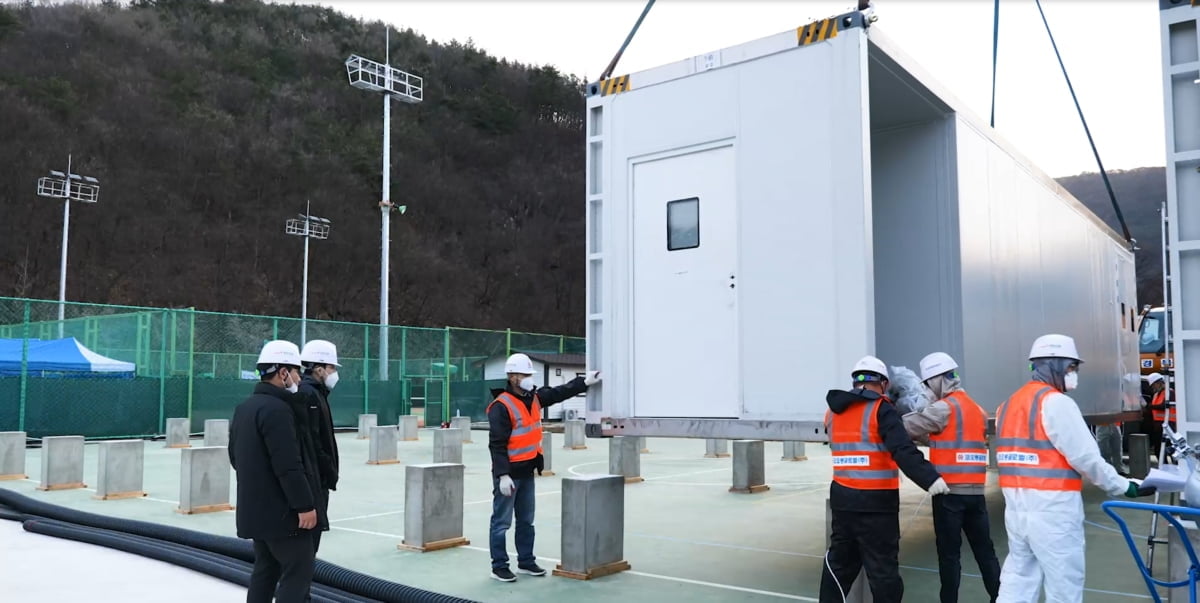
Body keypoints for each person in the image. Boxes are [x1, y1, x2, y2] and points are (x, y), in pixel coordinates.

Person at [995, 334, 1157, 603]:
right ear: (1054, 366)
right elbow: (1087, 459)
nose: (1074, 374)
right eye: (1071, 368)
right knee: (1064, 589)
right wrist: (1125, 486)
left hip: (1017, 511)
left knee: (1018, 581)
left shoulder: (1007, 406)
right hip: (1054, 514)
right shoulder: (1056, 404)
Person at [820, 355, 950, 603]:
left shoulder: (832, 412)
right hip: (877, 505)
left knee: (838, 565)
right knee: (882, 572)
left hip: (843, 500)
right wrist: (931, 479)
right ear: (882, 383)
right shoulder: (881, 409)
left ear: (856, 381)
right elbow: (902, 449)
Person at [487, 352, 600, 582]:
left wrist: (584, 382)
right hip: (509, 475)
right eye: (525, 374)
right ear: (512, 376)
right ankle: (499, 566)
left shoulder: (534, 398)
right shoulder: (502, 406)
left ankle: (526, 562)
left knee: (526, 521)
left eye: (530, 374)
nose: (529, 378)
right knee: (501, 523)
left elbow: (559, 393)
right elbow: (497, 444)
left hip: (527, 472)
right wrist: (502, 475)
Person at [228, 340, 325, 603]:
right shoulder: (279, 410)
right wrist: (305, 505)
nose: (298, 378)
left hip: (256, 513)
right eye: (295, 371)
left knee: (265, 572)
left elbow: (235, 458)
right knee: (297, 574)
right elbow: (289, 465)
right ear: (283, 373)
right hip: (284, 516)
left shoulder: (245, 408)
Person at [901, 352, 1001, 603]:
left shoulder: (942, 408)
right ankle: (1000, 597)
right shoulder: (975, 409)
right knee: (985, 552)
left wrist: (900, 407)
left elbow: (906, 428)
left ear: (935, 381)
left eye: (927, 385)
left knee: (949, 556)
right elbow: (948, 439)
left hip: (949, 496)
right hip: (976, 495)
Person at [298, 339, 341, 556]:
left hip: (319, 478)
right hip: (314, 479)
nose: (334, 373)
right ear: (320, 368)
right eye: (332, 367)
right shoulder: (309, 394)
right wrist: (327, 469)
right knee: (307, 545)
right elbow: (313, 441)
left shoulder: (318, 394)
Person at [1145, 372, 1172, 456]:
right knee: (1159, 452)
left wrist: (1149, 406)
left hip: (1169, 426)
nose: (1153, 387)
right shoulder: (1156, 394)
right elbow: (1154, 409)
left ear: (1159, 383)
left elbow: (1164, 406)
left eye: (1154, 385)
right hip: (1158, 427)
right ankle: (1164, 468)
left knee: (1170, 451)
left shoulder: (1169, 392)